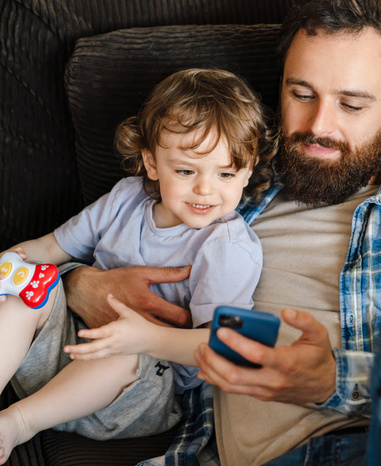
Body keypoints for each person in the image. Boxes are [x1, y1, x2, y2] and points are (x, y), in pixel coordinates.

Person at [65, 1, 381, 465]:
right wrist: (81, 284)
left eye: (352, 104)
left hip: (378, 446)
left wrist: (335, 380)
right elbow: (89, 238)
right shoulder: (226, 175)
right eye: (301, 94)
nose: (319, 126)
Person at [0, 68, 276, 464]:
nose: (205, 189)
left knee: (124, 353)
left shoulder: (227, 247)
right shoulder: (125, 199)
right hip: (59, 347)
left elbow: (221, 344)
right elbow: (47, 248)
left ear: (247, 172)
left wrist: (143, 337)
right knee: (26, 286)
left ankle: (18, 422)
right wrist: (8, 265)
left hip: (138, 389)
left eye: (226, 173)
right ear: (151, 162)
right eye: (185, 170)